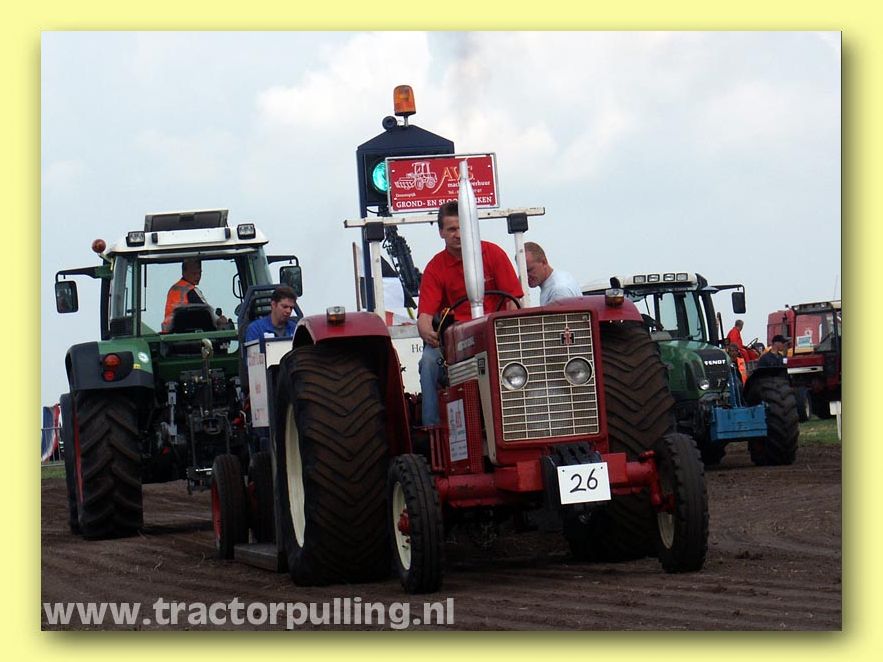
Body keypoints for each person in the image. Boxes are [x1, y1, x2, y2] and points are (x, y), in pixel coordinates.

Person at [417, 201, 524, 425]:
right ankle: (432, 428)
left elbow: (513, 300)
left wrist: (508, 332)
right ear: (441, 233)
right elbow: (425, 315)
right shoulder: (436, 267)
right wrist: (426, 331)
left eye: (462, 228)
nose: (458, 234)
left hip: (495, 334)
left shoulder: (493, 254)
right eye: (451, 229)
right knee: (428, 361)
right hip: (457, 341)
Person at [162, 259, 228, 332]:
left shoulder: (174, 288)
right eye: (194, 273)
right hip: (185, 332)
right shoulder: (191, 290)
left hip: (170, 331)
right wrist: (219, 320)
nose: (198, 276)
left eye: (199, 273)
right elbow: (207, 312)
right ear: (184, 272)